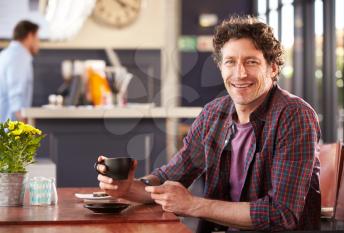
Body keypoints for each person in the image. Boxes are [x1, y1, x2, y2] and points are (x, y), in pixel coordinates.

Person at [96, 15, 321, 232]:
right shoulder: (214, 114)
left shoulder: (294, 115)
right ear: (220, 68)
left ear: (272, 68)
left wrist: (193, 204)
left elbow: (282, 214)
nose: (240, 73)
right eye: (230, 62)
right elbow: (171, 176)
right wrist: (129, 188)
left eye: (251, 62)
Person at [0, 20, 40, 123]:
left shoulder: (5, 54)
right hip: (11, 129)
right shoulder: (19, 56)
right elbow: (16, 96)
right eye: (37, 39)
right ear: (30, 36)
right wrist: (25, 126)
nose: (38, 45)